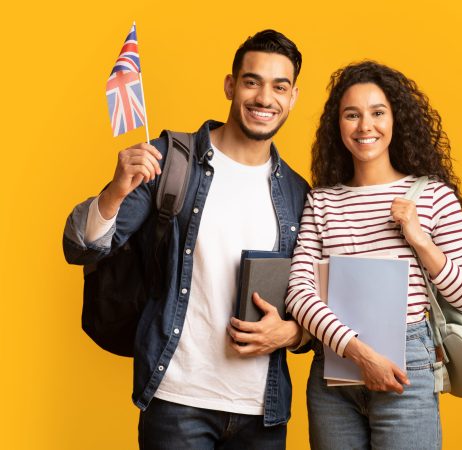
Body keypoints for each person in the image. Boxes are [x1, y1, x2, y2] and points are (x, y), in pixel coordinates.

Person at [63, 29, 309, 449]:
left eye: (278, 86)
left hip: (261, 413)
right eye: (252, 81)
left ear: (292, 97)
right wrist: (117, 190)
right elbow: (82, 245)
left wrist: (291, 335)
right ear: (231, 85)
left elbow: (311, 302)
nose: (264, 98)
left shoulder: (298, 193)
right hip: (178, 402)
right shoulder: (173, 159)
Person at [285, 61, 462, 449]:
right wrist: (358, 352)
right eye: (352, 115)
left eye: (378, 113)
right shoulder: (322, 201)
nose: (365, 126)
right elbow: (299, 293)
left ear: (396, 119)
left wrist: (421, 240)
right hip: (335, 371)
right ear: (337, 125)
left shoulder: (432, 196)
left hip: (406, 365)